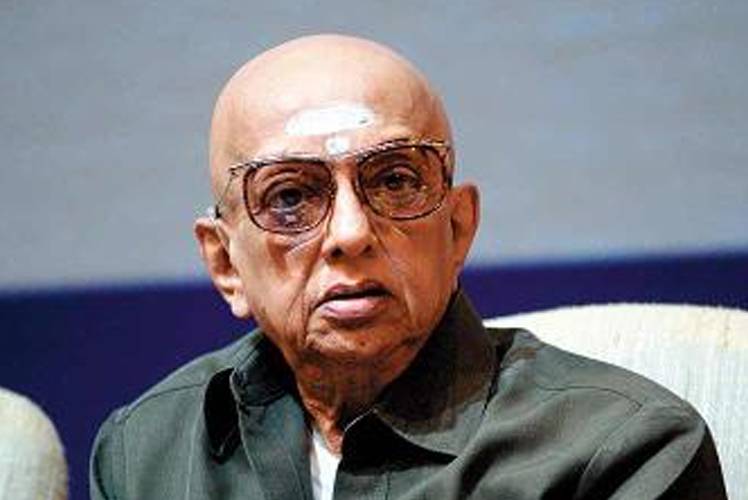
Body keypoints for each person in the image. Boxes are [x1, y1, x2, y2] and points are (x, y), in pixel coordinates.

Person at [90, 34, 726, 499]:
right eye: (289, 196)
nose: (350, 233)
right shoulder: (146, 451)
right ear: (225, 261)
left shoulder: (621, 450)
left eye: (395, 181)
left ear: (458, 228)